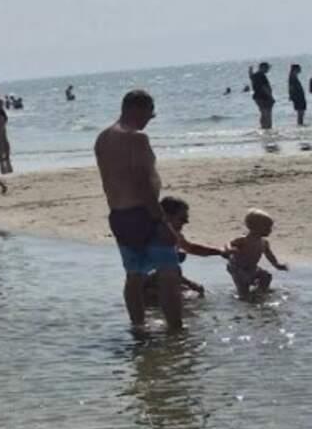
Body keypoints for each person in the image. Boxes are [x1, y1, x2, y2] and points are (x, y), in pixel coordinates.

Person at [95, 88, 182, 333]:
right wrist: (162, 221)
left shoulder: (102, 138)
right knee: (168, 272)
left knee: (134, 274)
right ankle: (176, 331)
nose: (148, 121)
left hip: (119, 215)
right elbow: (141, 182)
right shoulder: (136, 138)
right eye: (149, 115)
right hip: (143, 213)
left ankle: (138, 327)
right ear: (137, 109)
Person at [159, 196, 226, 298]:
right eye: (182, 218)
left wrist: (220, 252)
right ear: (167, 216)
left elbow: (191, 248)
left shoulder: (175, 235)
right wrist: (190, 283)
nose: (186, 222)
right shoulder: (159, 239)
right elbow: (161, 270)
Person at [225, 209, 289, 299]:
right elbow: (228, 243)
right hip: (237, 268)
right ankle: (244, 296)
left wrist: (277, 265)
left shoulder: (264, 242)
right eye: (267, 227)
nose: (270, 230)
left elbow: (269, 255)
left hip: (252, 267)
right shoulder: (244, 239)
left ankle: (260, 292)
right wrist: (229, 249)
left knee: (266, 276)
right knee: (243, 288)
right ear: (255, 227)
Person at [250, 62, 276, 130]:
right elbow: (264, 87)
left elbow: (251, 77)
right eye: (267, 68)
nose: (268, 70)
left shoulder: (255, 75)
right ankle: (267, 127)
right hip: (264, 97)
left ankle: (263, 127)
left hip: (258, 96)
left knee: (263, 112)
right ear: (263, 68)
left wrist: (250, 70)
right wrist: (271, 97)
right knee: (267, 113)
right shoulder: (261, 75)